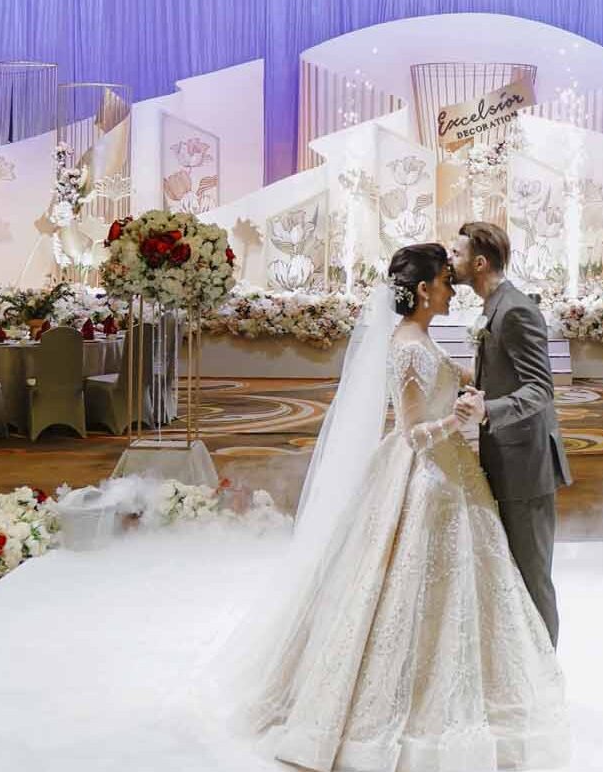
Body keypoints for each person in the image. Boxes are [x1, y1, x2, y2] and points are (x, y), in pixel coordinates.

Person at [237, 243, 568, 772]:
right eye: (445, 280)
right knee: (410, 587)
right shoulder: (409, 346)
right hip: (428, 475)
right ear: (423, 290)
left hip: (449, 471)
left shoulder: (420, 338)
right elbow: (413, 431)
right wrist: (458, 420)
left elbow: (460, 385)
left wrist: (476, 394)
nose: (451, 288)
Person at [449, 220, 570, 646]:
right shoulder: (493, 307)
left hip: (526, 465)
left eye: (457, 254)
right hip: (502, 457)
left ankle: (545, 668)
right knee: (511, 575)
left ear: (479, 263)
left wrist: (490, 409)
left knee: (532, 576)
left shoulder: (516, 309)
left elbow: (541, 388)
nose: (450, 260)